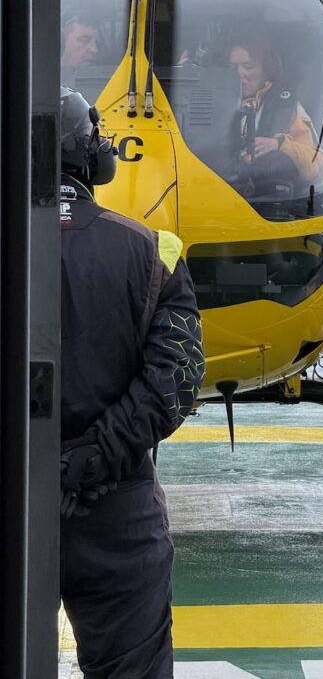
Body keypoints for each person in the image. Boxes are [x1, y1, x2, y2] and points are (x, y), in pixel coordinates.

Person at [59, 86, 205, 677]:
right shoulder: (153, 252)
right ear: (91, 158)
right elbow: (176, 381)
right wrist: (93, 458)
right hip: (115, 511)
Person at [228, 34, 323, 191]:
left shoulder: (287, 107)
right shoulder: (213, 103)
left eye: (248, 66)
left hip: (267, 201)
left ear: (266, 70)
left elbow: (316, 164)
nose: (239, 73)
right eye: (233, 68)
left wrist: (280, 144)